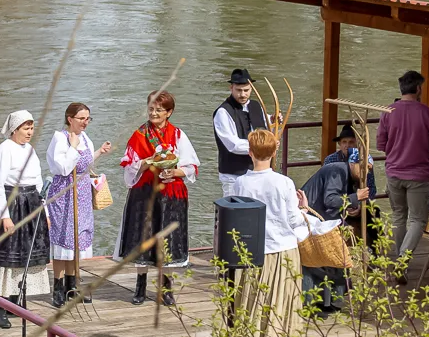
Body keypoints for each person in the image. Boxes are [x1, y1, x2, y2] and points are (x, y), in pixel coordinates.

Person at [234, 127, 312, 337]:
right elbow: (293, 219)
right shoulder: (284, 183)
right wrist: (304, 209)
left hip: (253, 251)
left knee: (253, 302)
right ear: (274, 152)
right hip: (283, 250)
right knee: (283, 303)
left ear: (250, 152)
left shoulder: (240, 183)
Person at [118, 90, 199, 306]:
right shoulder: (139, 135)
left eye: (159, 110)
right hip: (144, 193)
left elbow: (191, 167)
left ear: (169, 112)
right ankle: (140, 286)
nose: (154, 113)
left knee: (168, 239)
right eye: (151, 109)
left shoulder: (178, 135)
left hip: (171, 194)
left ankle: (166, 287)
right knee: (142, 238)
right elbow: (129, 169)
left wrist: (174, 171)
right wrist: (147, 161)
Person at [300, 120, 376, 314]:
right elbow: (330, 200)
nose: (365, 173)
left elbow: (339, 201)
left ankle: (331, 302)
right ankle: (315, 303)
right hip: (312, 219)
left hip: (324, 219)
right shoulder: (337, 170)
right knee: (319, 261)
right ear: (354, 163)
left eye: (368, 169)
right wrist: (355, 197)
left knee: (334, 260)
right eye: (363, 168)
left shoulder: (348, 174)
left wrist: (352, 205)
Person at [0, 109, 50, 328]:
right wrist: (4, 216)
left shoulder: (30, 149)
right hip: (12, 202)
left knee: (27, 252)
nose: (29, 132)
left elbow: (39, 182)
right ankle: (0, 307)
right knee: (9, 253)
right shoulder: (3, 150)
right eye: (26, 128)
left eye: (31, 128)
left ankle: (16, 300)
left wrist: (45, 211)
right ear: (14, 129)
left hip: (32, 202)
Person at [378, 71, 429, 277]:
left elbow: (381, 144)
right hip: (419, 176)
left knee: (399, 217)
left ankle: (401, 264)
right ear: (418, 89)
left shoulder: (388, 112)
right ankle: (402, 261)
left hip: (394, 173)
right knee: (417, 220)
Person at [44, 101, 105, 307]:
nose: (85, 122)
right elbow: (62, 168)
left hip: (82, 194)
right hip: (64, 194)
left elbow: (85, 164)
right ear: (70, 119)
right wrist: (73, 147)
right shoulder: (59, 138)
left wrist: (99, 152)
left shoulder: (85, 138)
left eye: (88, 119)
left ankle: (72, 285)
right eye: (81, 119)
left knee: (77, 241)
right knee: (63, 240)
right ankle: (58, 287)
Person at [210, 67, 269, 202]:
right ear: (231, 88)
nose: (242, 94)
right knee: (233, 210)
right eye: (239, 90)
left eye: (246, 90)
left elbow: (262, 124)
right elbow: (233, 145)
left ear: (251, 89)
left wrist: (273, 120)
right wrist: (262, 147)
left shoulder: (256, 106)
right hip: (233, 175)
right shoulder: (223, 112)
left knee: (257, 209)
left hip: (257, 172)